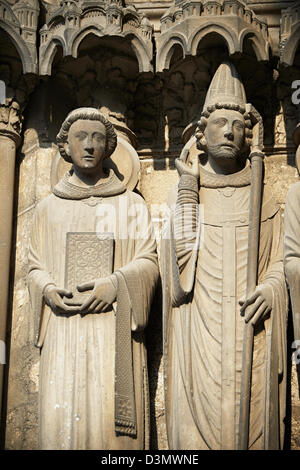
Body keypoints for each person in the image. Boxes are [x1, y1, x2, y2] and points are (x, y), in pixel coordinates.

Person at [162, 62, 287, 450]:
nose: (230, 131)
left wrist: (270, 290)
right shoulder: (189, 194)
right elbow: (177, 272)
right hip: (199, 329)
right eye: (220, 123)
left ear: (248, 135)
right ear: (201, 134)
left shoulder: (262, 197)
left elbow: (283, 260)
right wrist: (187, 189)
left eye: (237, 125)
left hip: (252, 332)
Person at [27, 107, 159, 449]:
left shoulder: (131, 206)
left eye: (97, 138)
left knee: (109, 426)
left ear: (109, 148)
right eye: (80, 137)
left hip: (112, 328)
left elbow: (149, 261)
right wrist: (48, 289)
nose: (88, 145)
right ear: (65, 147)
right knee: (62, 420)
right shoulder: (48, 209)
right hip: (63, 326)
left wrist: (116, 285)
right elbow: (33, 265)